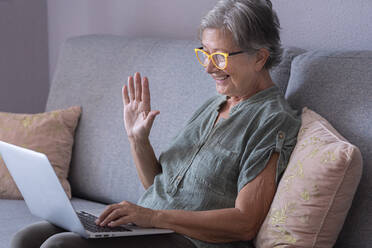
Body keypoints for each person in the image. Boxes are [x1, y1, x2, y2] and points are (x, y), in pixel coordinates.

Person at [11, 0, 301, 247]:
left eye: (220, 57)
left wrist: (152, 217)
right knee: (28, 237)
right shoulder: (214, 105)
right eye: (205, 53)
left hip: (190, 241)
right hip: (152, 228)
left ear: (260, 58)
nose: (209, 67)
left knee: (60, 245)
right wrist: (138, 141)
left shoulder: (272, 120)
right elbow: (159, 186)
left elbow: (245, 223)